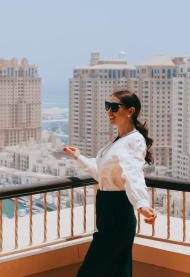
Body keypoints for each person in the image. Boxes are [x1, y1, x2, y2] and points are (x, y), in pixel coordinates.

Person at [62, 89, 156, 277]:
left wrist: (142, 204)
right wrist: (79, 157)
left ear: (130, 111)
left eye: (114, 107)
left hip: (117, 213)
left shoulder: (134, 140)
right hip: (108, 211)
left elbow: (132, 174)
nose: (109, 111)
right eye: (107, 106)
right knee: (116, 271)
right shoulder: (118, 141)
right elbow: (104, 174)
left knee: (90, 271)